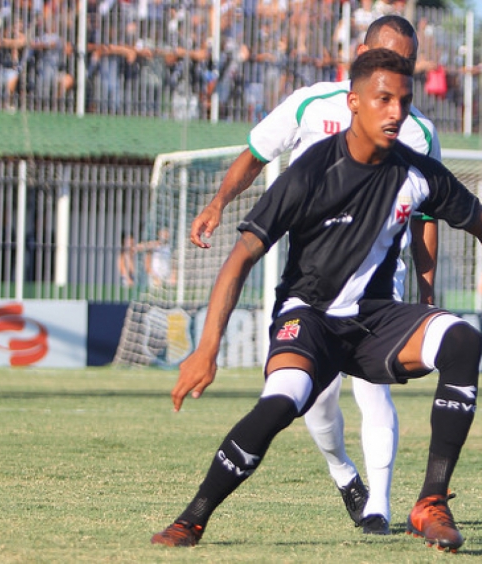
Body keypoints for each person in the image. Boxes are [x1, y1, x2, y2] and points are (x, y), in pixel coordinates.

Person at [150, 48, 482, 551]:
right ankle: (192, 518)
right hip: (309, 318)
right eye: (383, 99)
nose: (395, 112)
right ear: (354, 103)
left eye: (404, 102)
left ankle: (430, 501)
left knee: (463, 340)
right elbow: (240, 259)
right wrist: (207, 347)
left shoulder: (417, 172)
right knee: (282, 403)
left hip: (374, 320)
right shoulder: (311, 171)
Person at [187, 15, 440, 535]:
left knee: (373, 390)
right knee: (315, 399)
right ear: (362, 54)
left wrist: (428, 293)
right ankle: (345, 474)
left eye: (407, 63)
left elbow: (426, 218)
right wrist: (218, 203)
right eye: (387, 56)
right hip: (310, 278)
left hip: (378, 277)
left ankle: (379, 509)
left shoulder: (418, 129)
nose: (397, 71)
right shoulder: (310, 103)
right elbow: (257, 155)